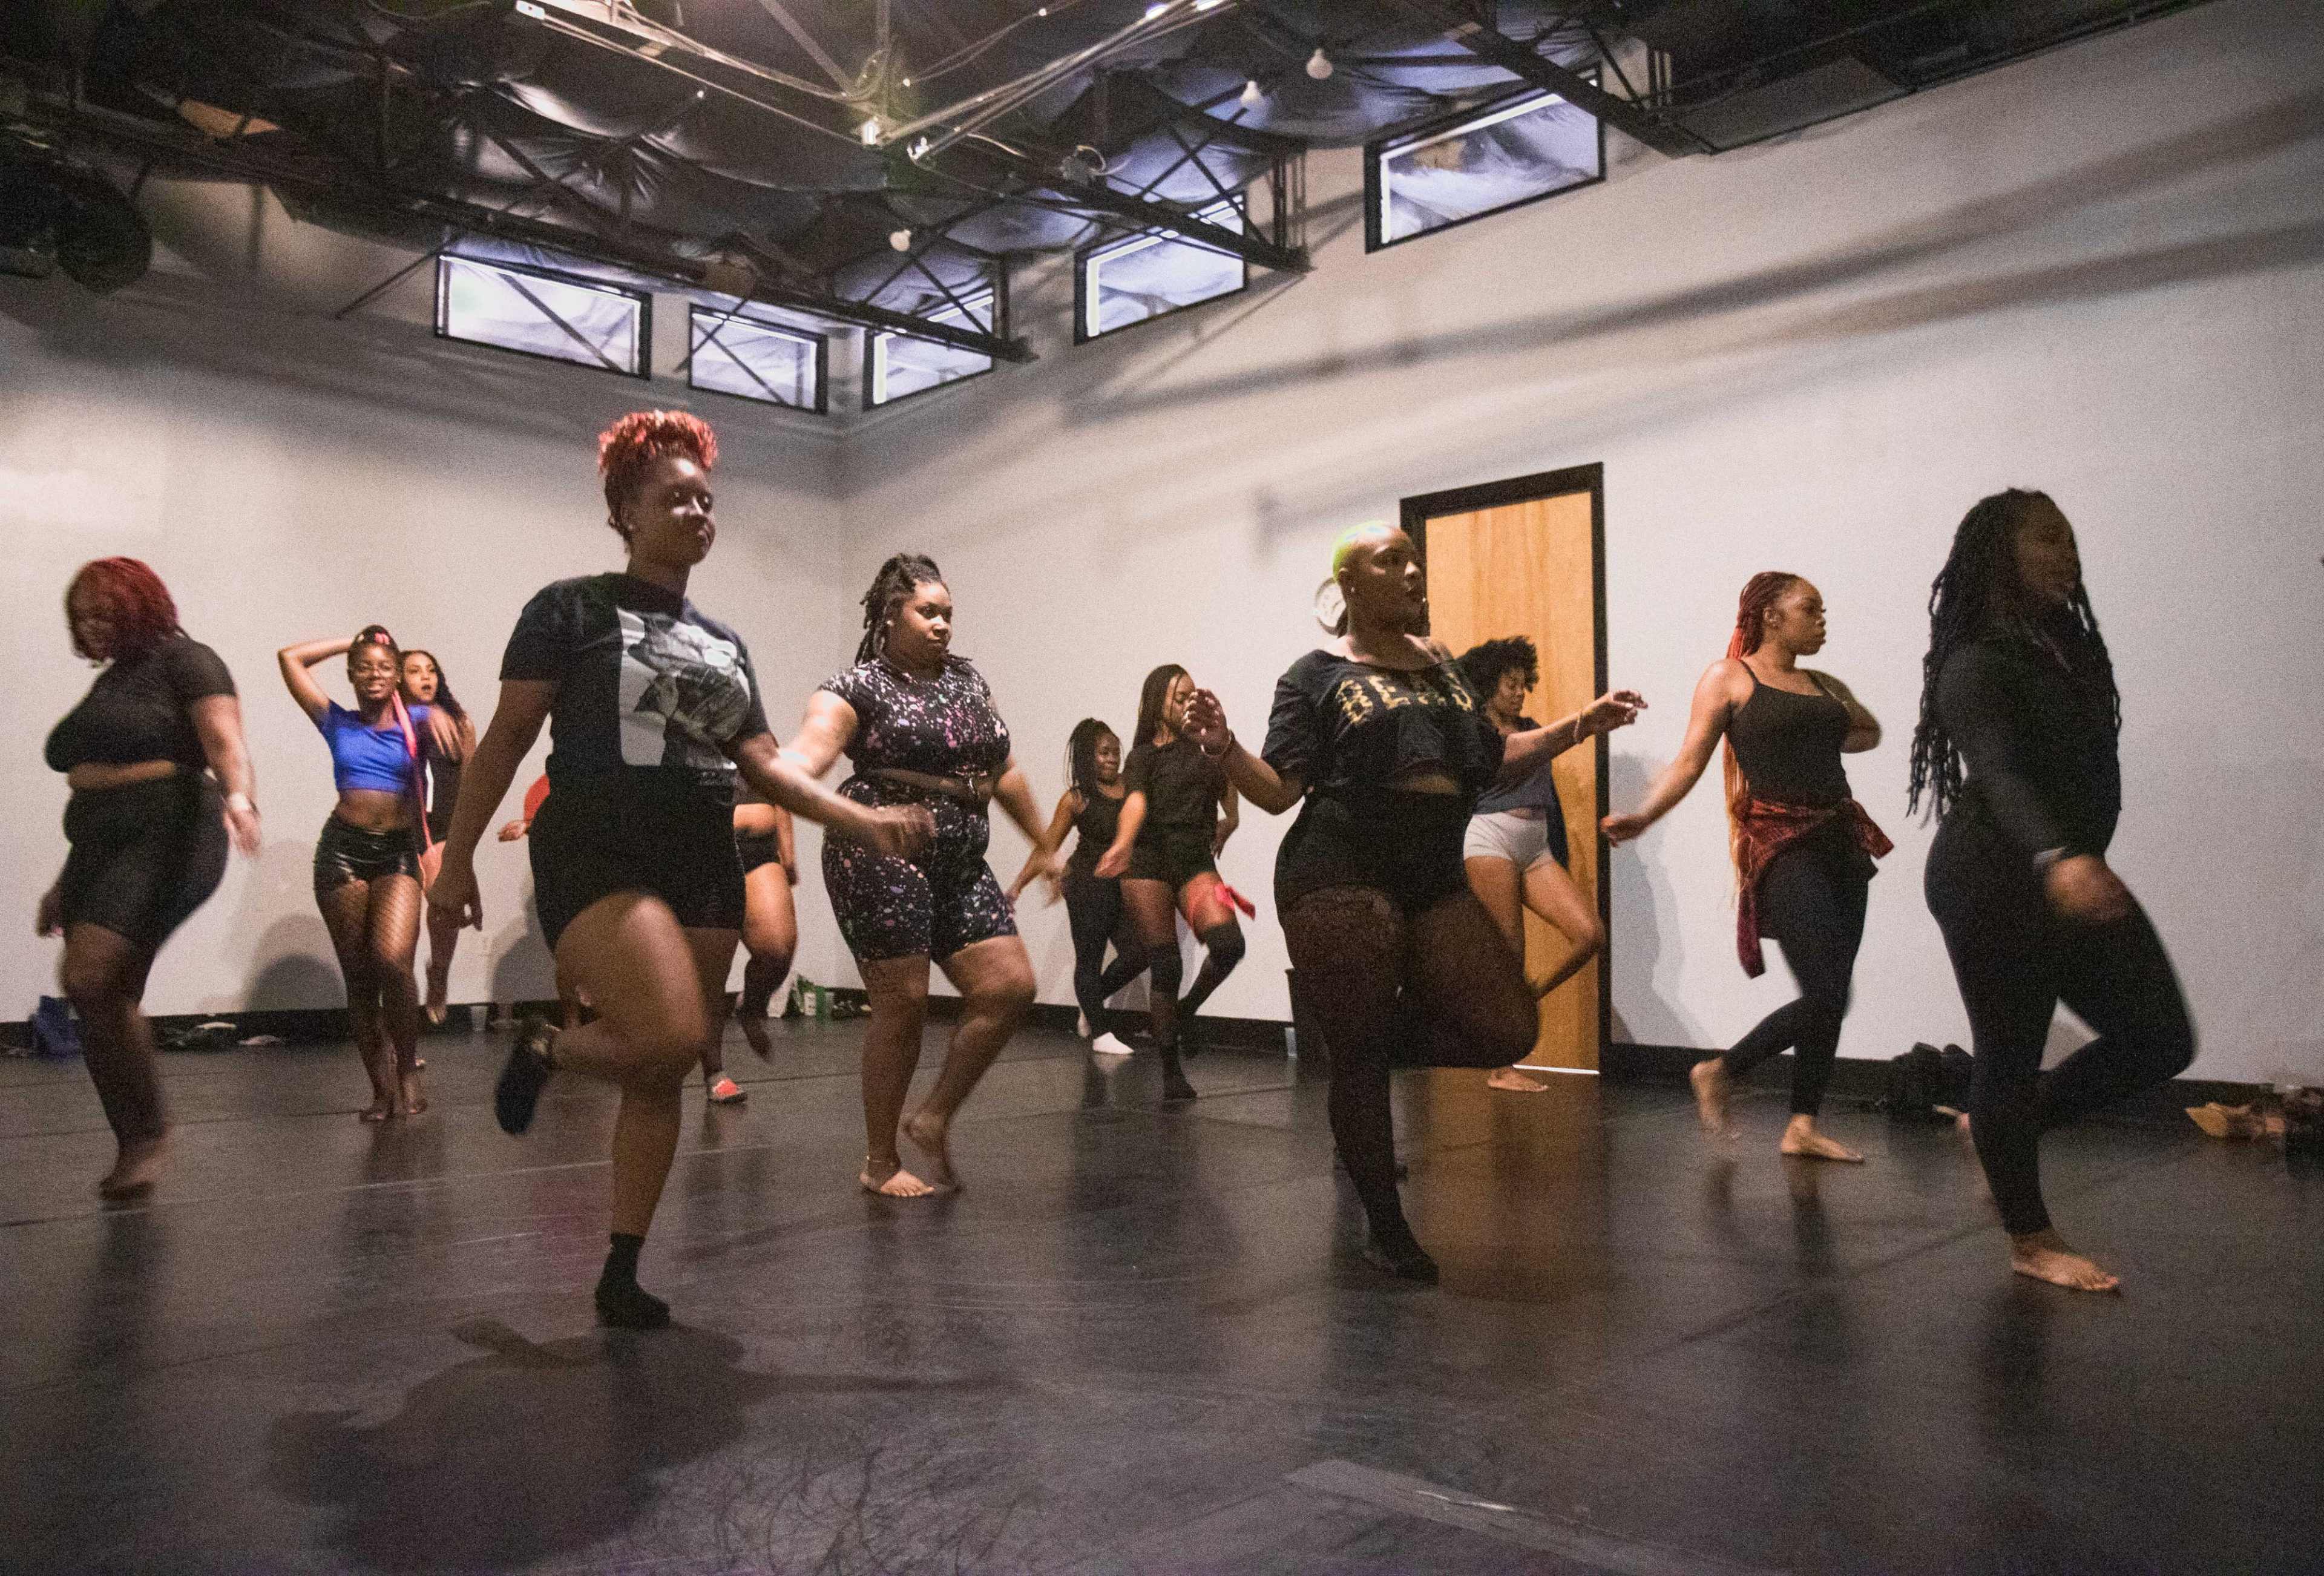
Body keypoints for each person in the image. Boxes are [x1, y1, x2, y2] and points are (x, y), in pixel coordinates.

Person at [427, 411, 930, 1328]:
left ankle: (621, 1269)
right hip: (597, 843)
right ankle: (548, 1046)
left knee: (661, 1073)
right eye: (675, 497)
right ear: (625, 510)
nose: (698, 511)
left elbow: (769, 766)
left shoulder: (725, 642)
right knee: (664, 1036)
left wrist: (860, 820)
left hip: (703, 853)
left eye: (706, 498)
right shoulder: (568, 610)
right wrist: (454, 859)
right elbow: (504, 739)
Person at [1181, 522, 1643, 1282]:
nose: (1411, 572)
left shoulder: (1446, 669)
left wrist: (1576, 727)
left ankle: (1357, 1049)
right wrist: (1226, 748)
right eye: (1389, 562)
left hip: (1432, 869)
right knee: (1360, 1057)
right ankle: (1385, 1225)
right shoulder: (1317, 674)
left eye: (1413, 560)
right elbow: (1277, 793)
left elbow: (1490, 760)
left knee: (1505, 1026)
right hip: (1339, 866)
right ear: (1351, 586)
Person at [1910, 488, 2194, 1292]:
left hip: (2064, 869)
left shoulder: (2063, 649)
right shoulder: (1975, 664)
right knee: (2008, 1054)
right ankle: (2031, 1240)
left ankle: (2001, 1124)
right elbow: (1996, 773)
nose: (2067, 554)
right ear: (2002, 554)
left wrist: (2073, 858)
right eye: (2048, 540)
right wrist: (2058, 856)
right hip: (1997, 875)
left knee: (2163, 1037)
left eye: (2072, 539)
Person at [783, 553, 1048, 1198]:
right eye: (927, 612)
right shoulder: (857, 688)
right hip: (881, 848)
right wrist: (802, 787)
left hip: (959, 856)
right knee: (902, 1003)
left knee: (1010, 986)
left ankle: (931, 1120)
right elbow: (803, 758)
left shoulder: (966, 680)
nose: (942, 625)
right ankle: (879, 1162)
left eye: (948, 614)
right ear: (890, 616)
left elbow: (1004, 770)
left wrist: (1043, 842)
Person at [1603, 574, 1889, 1162]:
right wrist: (1643, 816)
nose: (1822, 619)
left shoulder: (1821, 682)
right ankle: (1719, 1072)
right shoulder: (1729, 678)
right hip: (1783, 848)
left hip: (1842, 843)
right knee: (1827, 991)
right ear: (1769, 616)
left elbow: (1868, 731)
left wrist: (1818, 732)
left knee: (1833, 995)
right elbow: (1688, 763)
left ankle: (1802, 1125)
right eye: (1810, 608)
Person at [40, 558, 260, 1198]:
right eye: (81, 616)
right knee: (99, 994)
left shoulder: (188, 662)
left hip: (171, 838)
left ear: (140, 604)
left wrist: (241, 800)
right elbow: (91, 776)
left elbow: (225, 746)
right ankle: (134, 1135)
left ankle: (149, 1134)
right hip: (98, 850)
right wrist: (63, 881)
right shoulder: (115, 682)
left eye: (104, 611)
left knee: (89, 976)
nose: (92, 625)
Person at [280, 625, 456, 1121]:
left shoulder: (419, 718)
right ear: (352, 675)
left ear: (398, 675)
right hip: (342, 854)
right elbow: (289, 657)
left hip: (397, 852)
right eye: (365, 667)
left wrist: (438, 711)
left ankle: (407, 1069)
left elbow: (456, 738)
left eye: (385, 667)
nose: (374, 674)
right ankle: (380, 1090)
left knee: (393, 961)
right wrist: (350, 641)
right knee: (359, 980)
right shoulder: (336, 721)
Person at [1456, 636, 1629, 1093]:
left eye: (1522, 683)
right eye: (1508, 684)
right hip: (1489, 838)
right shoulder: (1478, 735)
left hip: (1535, 845)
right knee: (1509, 953)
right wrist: (1583, 724)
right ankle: (1501, 1065)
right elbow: (1514, 756)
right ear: (1486, 686)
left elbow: (1553, 742)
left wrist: (1591, 726)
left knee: (1589, 934)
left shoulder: (1531, 726)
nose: (1518, 692)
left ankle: (1527, 998)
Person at [1093, 666, 1244, 1100]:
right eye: (1180, 697)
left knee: (1230, 945)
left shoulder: (1207, 746)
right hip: (1148, 862)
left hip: (1194, 862)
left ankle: (1186, 1011)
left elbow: (1229, 778)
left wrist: (1231, 819)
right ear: (1157, 702)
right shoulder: (1142, 756)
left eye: (1193, 695)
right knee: (1167, 964)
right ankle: (1170, 1069)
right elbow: (1136, 800)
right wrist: (1122, 843)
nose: (1188, 703)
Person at [1008, 718, 1146, 1057]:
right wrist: (1018, 886)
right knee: (1090, 959)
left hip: (1121, 885)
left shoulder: (1131, 789)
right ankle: (1100, 1032)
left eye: (1116, 751)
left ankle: (1092, 1004)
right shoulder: (1077, 799)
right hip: (1085, 885)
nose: (1112, 758)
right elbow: (1047, 846)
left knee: (1139, 953)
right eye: (1104, 753)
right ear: (1088, 756)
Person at [400, 649, 476, 1026]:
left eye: (432, 670)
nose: (425, 677)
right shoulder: (390, 723)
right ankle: (402, 1008)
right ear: (399, 680)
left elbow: (472, 786)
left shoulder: (459, 724)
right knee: (402, 928)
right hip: (401, 832)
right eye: (414, 671)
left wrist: (463, 847)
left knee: (445, 912)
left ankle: (440, 975)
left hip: (445, 830)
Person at [727, 789, 799, 1070]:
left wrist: (788, 852)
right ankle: (714, 1071)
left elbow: (775, 782)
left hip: (758, 849)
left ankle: (752, 1008)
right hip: (702, 849)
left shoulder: (751, 741)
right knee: (708, 975)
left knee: (778, 949)